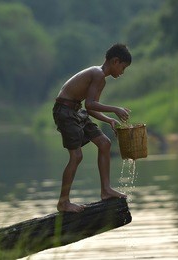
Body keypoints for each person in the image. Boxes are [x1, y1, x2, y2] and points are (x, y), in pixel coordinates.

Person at [52, 43, 132, 212]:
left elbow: (90, 108)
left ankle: (106, 190)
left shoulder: (100, 78)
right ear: (115, 61)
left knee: (105, 143)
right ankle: (63, 202)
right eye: (123, 68)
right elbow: (90, 103)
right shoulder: (98, 74)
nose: (122, 72)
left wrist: (108, 119)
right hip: (65, 111)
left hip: (75, 111)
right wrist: (115, 109)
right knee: (76, 156)